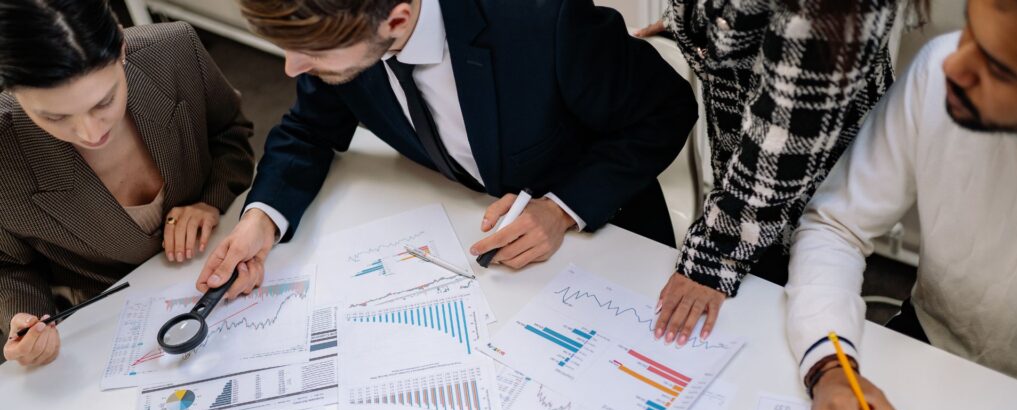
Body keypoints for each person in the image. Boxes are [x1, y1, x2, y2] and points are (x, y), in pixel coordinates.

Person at [195, 0, 695, 298]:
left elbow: (667, 110)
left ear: (397, 20)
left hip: (599, 245)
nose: (290, 68)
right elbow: (308, 129)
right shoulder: (334, 29)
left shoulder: (543, 20)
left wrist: (563, 209)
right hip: (462, 245)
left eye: (312, 55)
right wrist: (262, 218)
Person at [784, 1, 1017, 410]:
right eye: (970, 29)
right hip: (927, 344)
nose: (953, 65)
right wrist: (830, 367)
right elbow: (838, 225)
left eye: (999, 68)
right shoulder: (941, 66)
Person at [636, 0, 917, 345]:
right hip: (750, 141)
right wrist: (691, 21)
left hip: (809, 154)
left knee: (786, 306)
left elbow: (788, 134)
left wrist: (715, 255)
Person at [0, 0, 255, 367]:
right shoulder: (5, 151)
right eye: (54, 116)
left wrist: (211, 201)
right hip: (110, 326)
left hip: (225, 264)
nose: (91, 132)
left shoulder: (175, 49)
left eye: (104, 101)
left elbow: (231, 132)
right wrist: (27, 320)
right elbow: (7, 263)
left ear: (121, 48)